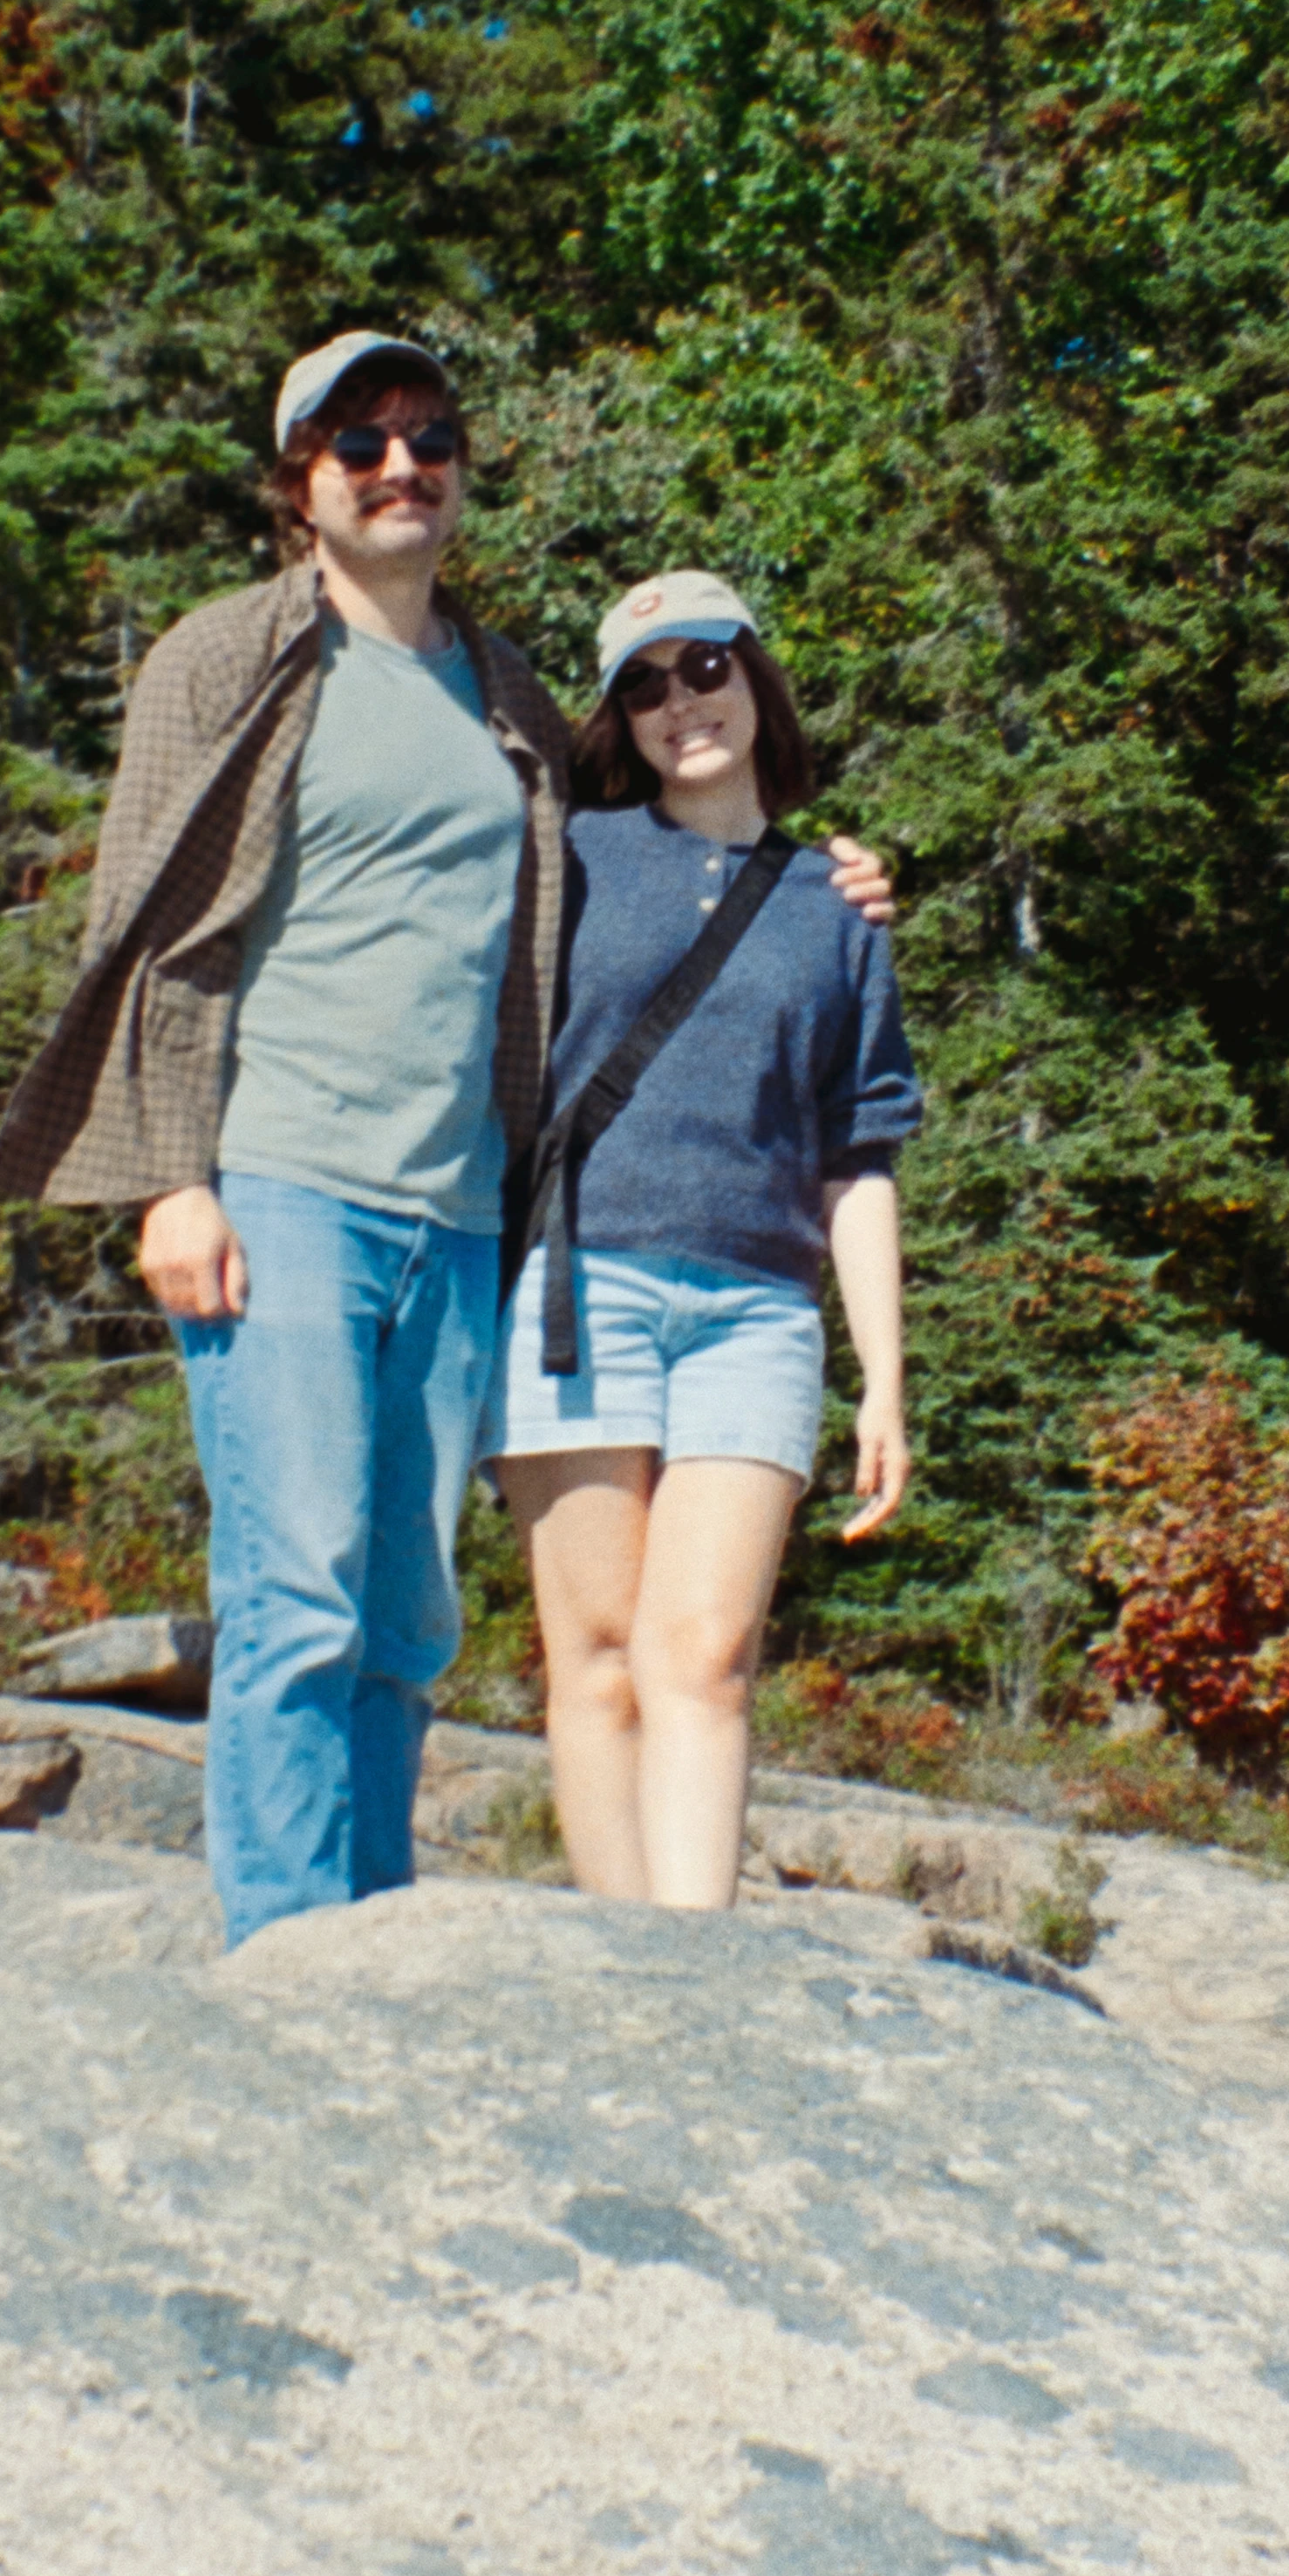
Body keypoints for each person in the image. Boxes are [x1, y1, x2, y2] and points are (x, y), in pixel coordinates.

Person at [0, 338, 892, 1951]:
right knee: (301, 1590)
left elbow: (667, 856)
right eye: (358, 447)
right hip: (281, 1183)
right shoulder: (228, 661)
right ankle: (283, 1952)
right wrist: (169, 1177)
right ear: (298, 487)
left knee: (408, 1615)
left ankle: (374, 1938)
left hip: (467, 1213)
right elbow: (144, 930)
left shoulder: (509, 697)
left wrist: (837, 875)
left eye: (429, 440)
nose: (399, 467)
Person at [488, 572, 917, 1912]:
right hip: (579, 1280)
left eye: (708, 667)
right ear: (620, 717)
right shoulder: (573, 855)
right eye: (645, 683)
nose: (684, 703)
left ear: (757, 679)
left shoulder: (840, 906)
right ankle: (630, 1964)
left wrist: (887, 1383)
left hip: (760, 1310)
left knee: (710, 1652)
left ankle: (701, 1965)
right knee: (601, 1656)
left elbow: (861, 1159)